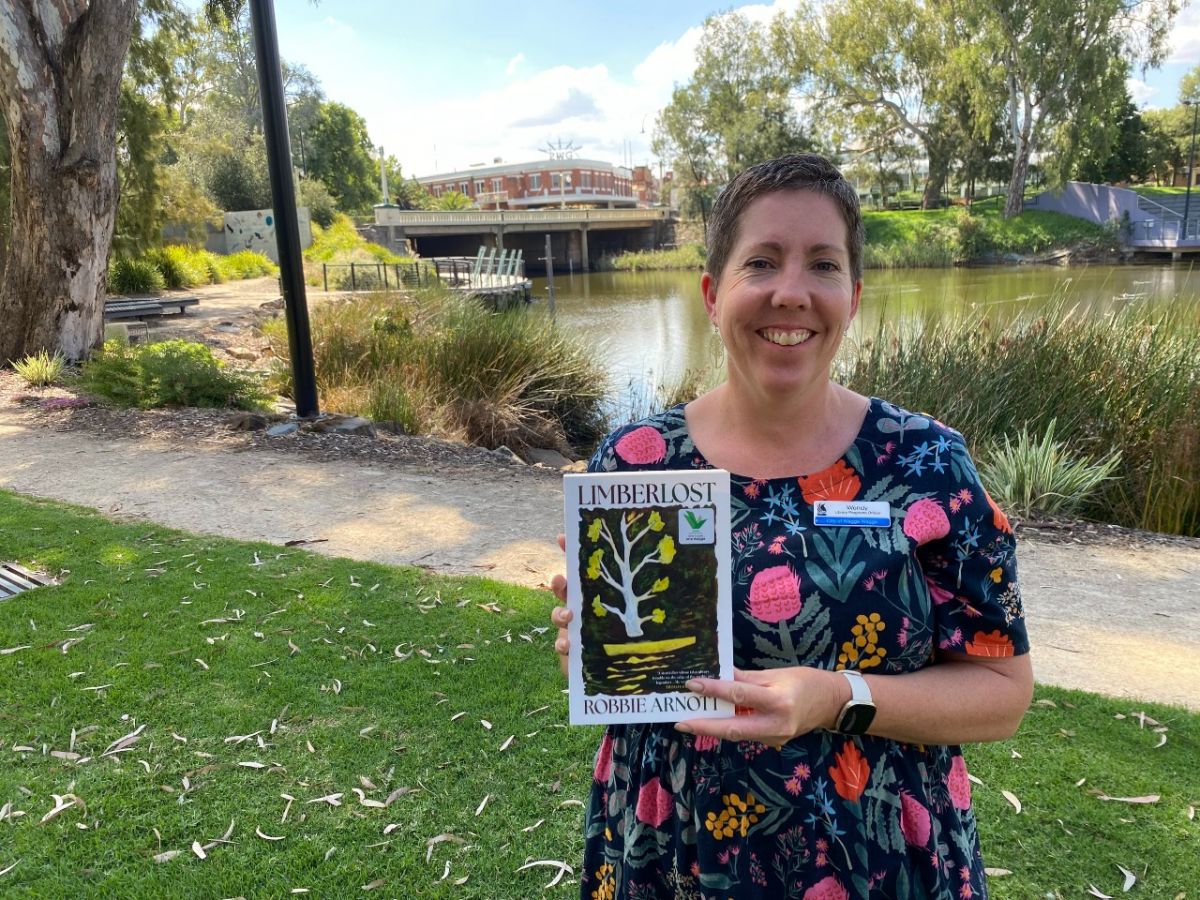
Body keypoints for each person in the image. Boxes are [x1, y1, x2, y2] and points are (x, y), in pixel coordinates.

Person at [549, 154, 1032, 900]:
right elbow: (632, 678)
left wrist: (838, 695)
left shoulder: (927, 463)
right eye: (763, 262)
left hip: (876, 854)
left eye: (823, 265)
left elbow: (1002, 690)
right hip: (674, 848)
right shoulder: (637, 460)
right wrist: (596, 657)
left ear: (854, 294)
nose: (792, 292)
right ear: (713, 295)